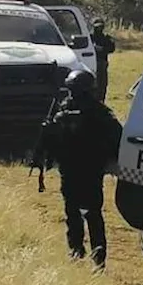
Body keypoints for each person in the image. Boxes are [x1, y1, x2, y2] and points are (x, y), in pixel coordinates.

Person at [35, 69, 123, 270]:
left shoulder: (99, 115)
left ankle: (94, 257)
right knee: (78, 212)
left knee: (86, 213)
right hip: (75, 168)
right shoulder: (70, 112)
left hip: (86, 169)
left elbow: (115, 138)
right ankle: (81, 252)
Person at [89, 18, 116, 100]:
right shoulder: (90, 37)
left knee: (102, 84)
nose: (99, 29)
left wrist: (102, 49)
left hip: (102, 63)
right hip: (90, 62)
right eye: (97, 27)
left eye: (101, 27)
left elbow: (111, 48)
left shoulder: (106, 38)